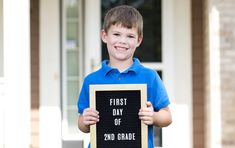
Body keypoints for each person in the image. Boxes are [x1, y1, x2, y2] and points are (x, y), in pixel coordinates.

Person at [77, 5, 172, 148]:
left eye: (130, 36)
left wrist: (154, 116)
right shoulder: (91, 81)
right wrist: (85, 120)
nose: (122, 41)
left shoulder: (149, 78)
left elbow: (167, 116)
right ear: (104, 36)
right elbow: (81, 124)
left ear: (139, 40)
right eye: (116, 34)